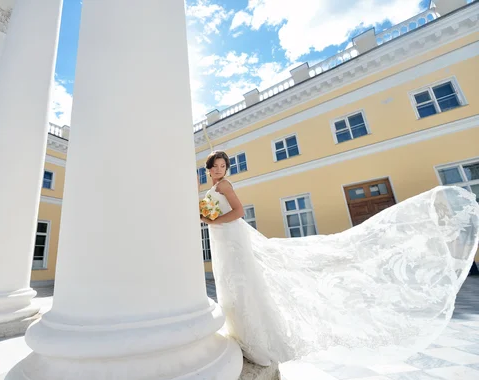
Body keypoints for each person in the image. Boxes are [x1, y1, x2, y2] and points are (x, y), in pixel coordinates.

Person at [199, 150, 479, 367]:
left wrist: (213, 221)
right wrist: (207, 219)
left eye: (224, 166)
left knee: (242, 282)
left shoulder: (225, 186)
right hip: (224, 240)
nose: (220, 170)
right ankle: (242, 332)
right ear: (208, 168)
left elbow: (238, 213)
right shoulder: (212, 190)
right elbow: (216, 215)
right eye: (216, 166)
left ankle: (254, 339)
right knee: (235, 283)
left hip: (231, 237)